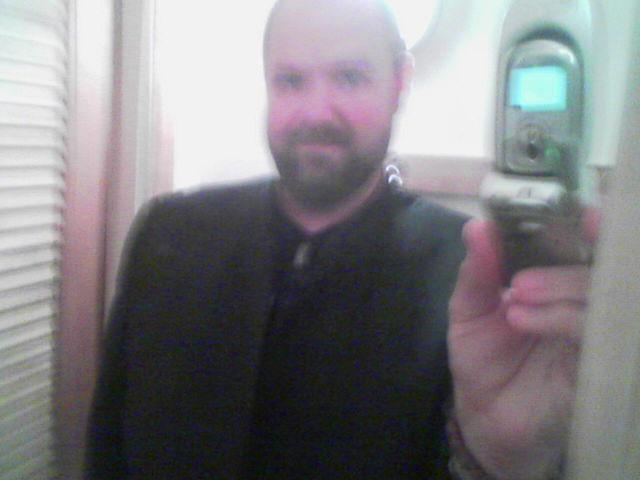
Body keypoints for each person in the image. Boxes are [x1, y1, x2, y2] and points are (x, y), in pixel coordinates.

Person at [86, 0, 594, 478]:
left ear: (399, 84)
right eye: (290, 81)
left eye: (349, 77)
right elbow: (107, 452)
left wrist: (497, 462)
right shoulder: (168, 237)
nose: (315, 113)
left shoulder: (473, 281)